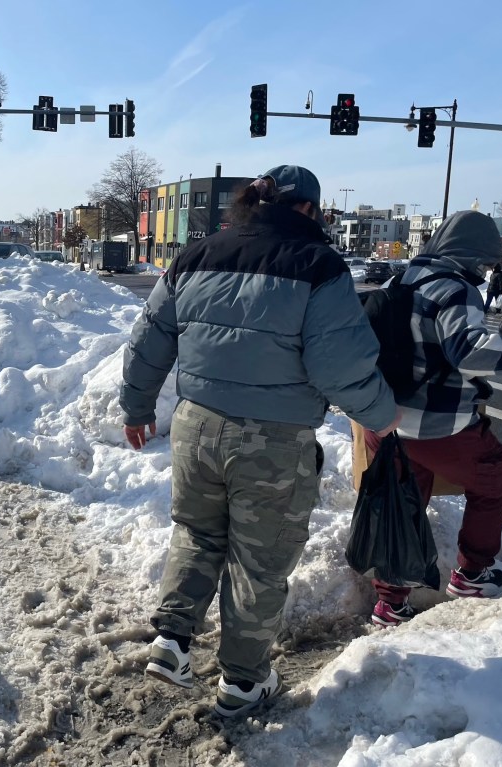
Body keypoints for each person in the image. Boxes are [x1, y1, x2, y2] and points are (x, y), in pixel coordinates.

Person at [119, 165, 400, 717]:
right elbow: (338, 364)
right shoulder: (319, 266)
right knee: (259, 561)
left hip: (195, 426)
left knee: (197, 533)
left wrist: (136, 406)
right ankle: (244, 682)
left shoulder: (196, 255)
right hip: (271, 440)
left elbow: (149, 338)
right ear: (309, 210)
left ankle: (172, 641)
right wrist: (379, 415)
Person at [364, 210, 502, 628]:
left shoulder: (400, 279)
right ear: (469, 254)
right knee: (491, 478)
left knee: (403, 506)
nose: (484, 270)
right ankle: (473, 574)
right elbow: (473, 353)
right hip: (442, 425)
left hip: (388, 421)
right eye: (484, 261)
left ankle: (390, 601)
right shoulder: (455, 289)